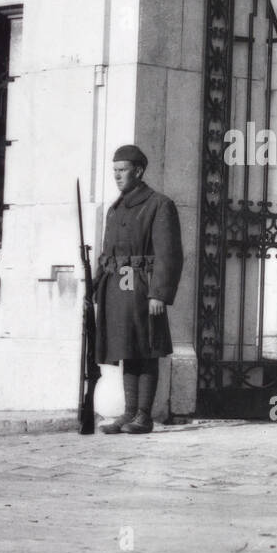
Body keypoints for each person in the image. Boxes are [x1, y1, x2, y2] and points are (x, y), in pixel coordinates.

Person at [94, 145, 184, 435]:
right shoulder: (116, 207)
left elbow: (169, 253)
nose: (117, 176)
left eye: (122, 170)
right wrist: (95, 288)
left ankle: (144, 415)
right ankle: (129, 412)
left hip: (143, 287)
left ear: (138, 171)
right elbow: (107, 252)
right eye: (115, 171)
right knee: (126, 349)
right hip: (117, 288)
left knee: (146, 349)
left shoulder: (159, 204)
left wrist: (159, 293)